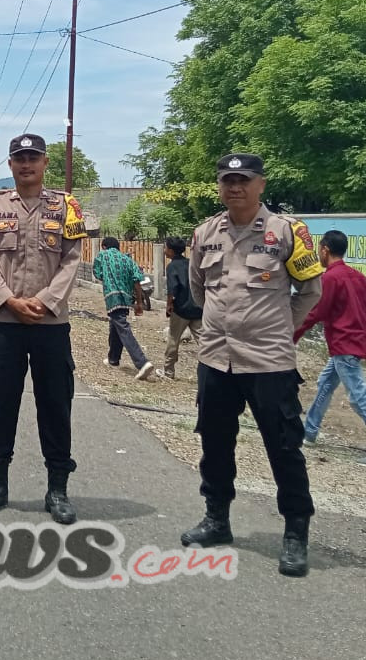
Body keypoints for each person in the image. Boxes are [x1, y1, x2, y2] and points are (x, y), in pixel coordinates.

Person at [182, 153, 324, 578]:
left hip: (268, 362)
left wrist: (279, 330)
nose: (235, 188)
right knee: (215, 444)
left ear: (261, 184)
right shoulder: (205, 232)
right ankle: (217, 519)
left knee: (283, 448)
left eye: (243, 180)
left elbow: (310, 291)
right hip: (215, 359)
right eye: (227, 180)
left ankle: (295, 534)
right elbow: (198, 289)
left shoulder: (287, 232)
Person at [0, 133, 86, 524]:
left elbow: (73, 259)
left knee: (55, 404)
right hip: (5, 322)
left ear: (45, 162)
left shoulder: (66, 206)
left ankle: (57, 488)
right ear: (10, 164)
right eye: (19, 158)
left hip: (51, 324)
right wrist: (9, 300)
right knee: (0, 402)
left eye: (33, 157)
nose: (26, 164)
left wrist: (46, 301)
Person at [295, 230, 366, 469]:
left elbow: (316, 313)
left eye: (319, 249)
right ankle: (308, 431)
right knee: (325, 383)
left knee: (358, 397)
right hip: (354, 341)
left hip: (344, 344)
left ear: (325, 250)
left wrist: (293, 336)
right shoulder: (358, 277)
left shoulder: (330, 278)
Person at [93, 237, 155, 381]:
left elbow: (97, 273)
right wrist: (139, 303)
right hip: (127, 298)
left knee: (122, 328)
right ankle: (113, 358)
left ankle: (142, 362)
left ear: (104, 246)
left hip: (112, 296)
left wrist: (108, 278)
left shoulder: (103, 255)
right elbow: (137, 280)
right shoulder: (127, 259)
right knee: (115, 325)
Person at [162, 236, 203, 380]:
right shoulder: (191, 263)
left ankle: (168, 372)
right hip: (198, 309)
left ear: (171, 251)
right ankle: (214, 369)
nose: (164, 250)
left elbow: (172, 290)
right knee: (204, 342)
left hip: (181, 310)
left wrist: (169, 306)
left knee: (173, 339)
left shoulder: (172, 266)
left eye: (165, 247)